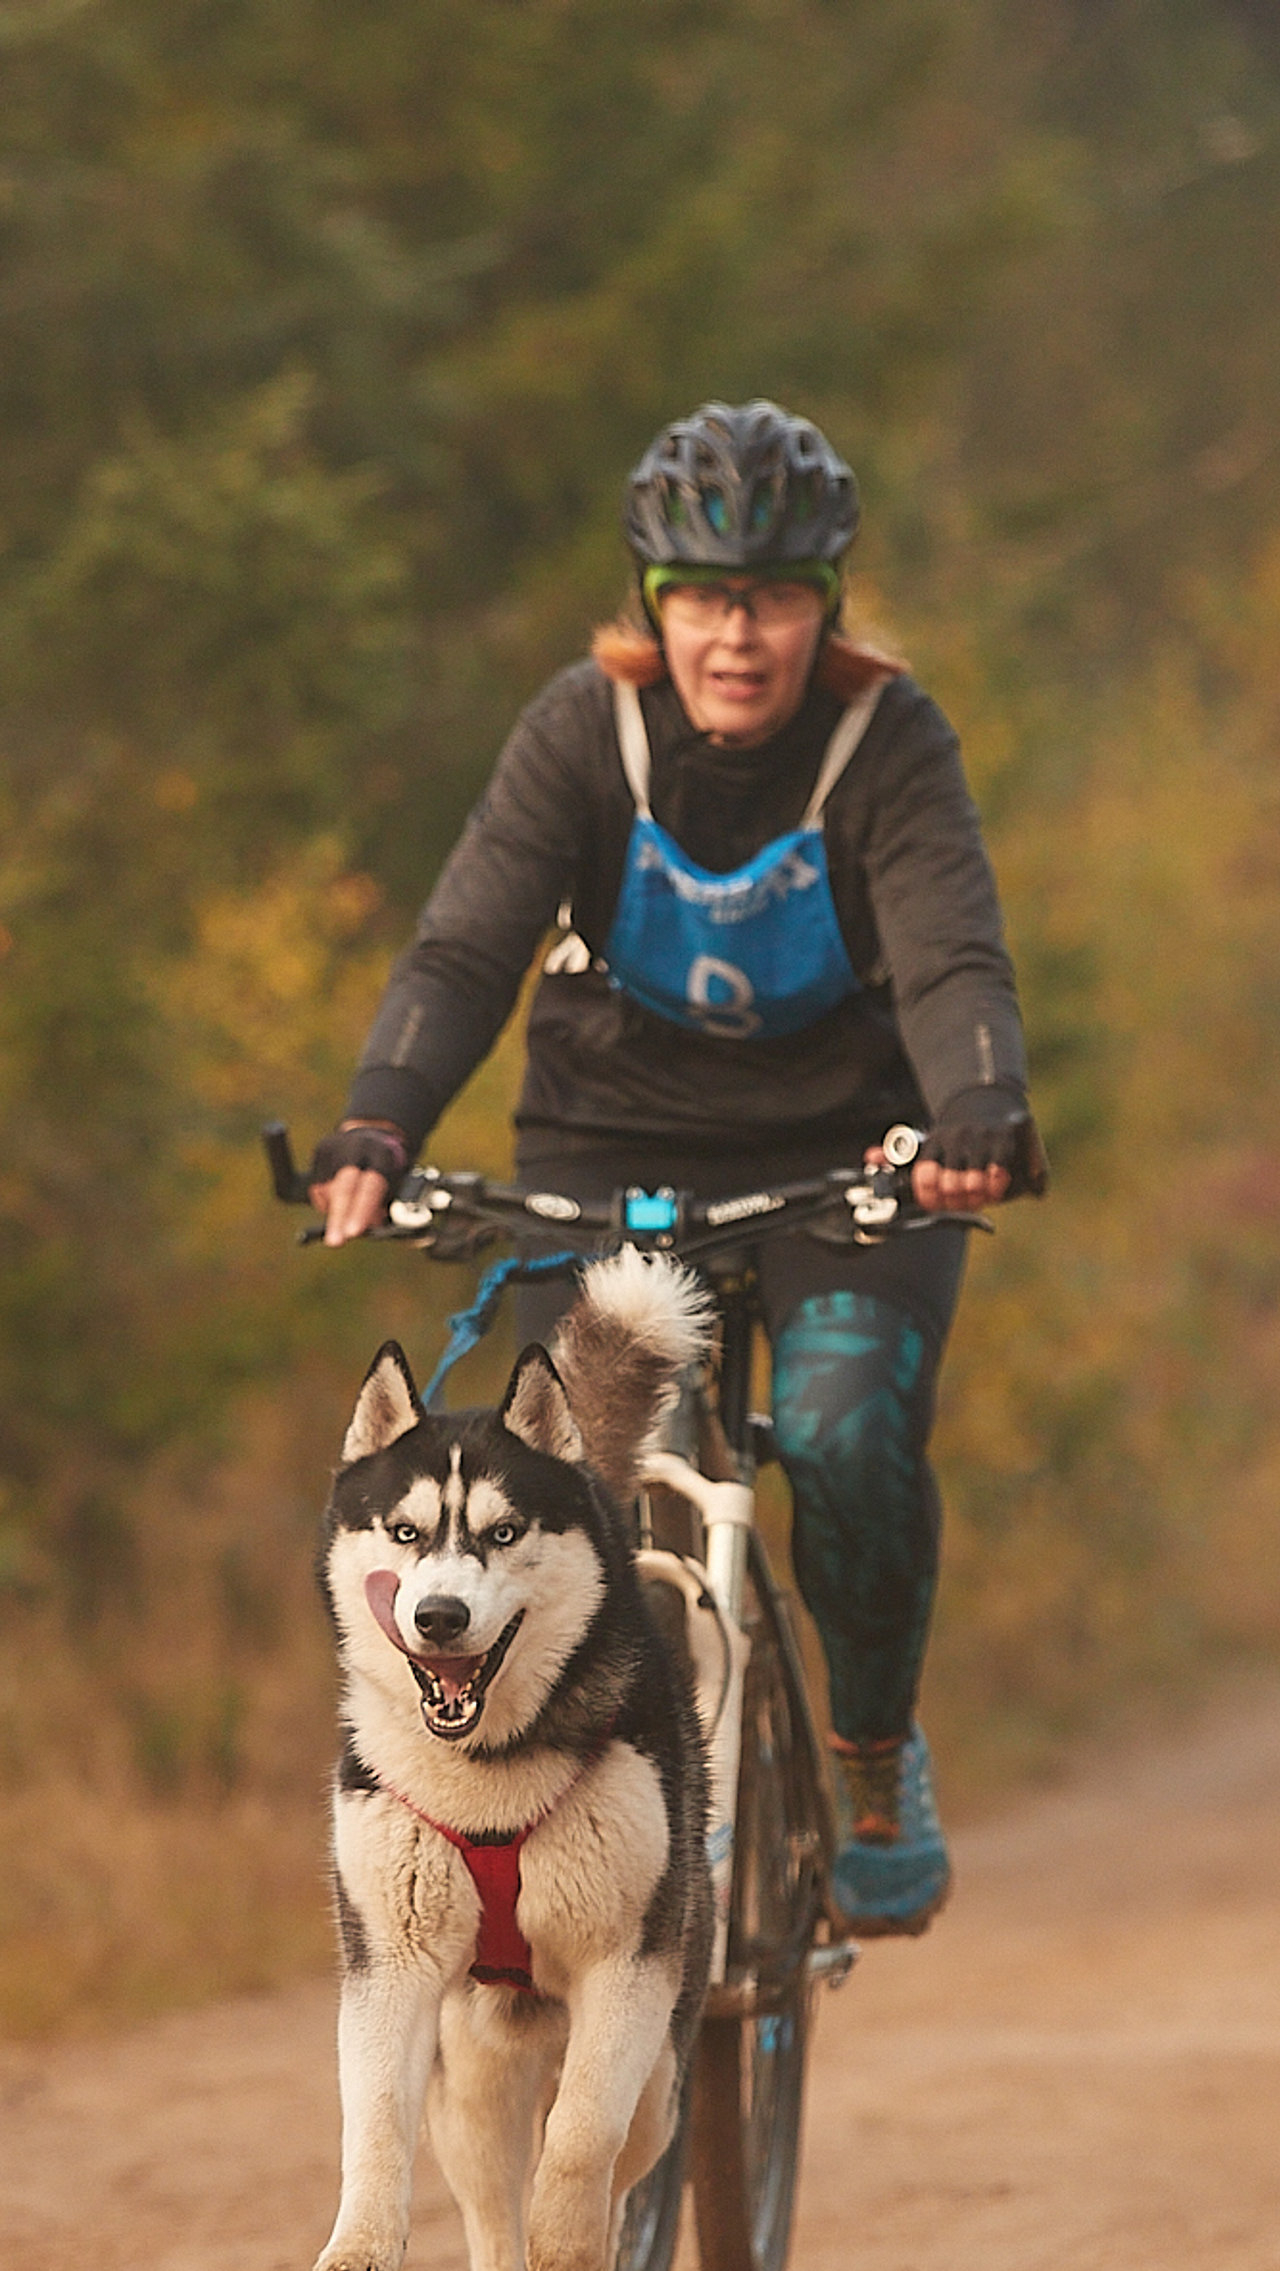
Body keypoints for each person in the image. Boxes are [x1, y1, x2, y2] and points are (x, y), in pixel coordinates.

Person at [307, 400, 1043, 1936]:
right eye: (705, 596)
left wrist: (978, 1109)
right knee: (555, 1495)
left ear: (825, 604)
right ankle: (557, 1838)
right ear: (654, 603)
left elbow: (952, 955)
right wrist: (381, 1118)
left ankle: (871, 1751)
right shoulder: (584, 730)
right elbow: (468, 940)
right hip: (606, 1151)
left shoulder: (885, 740)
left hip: (854, 1165)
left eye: (776, 595)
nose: (739, 633)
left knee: (840, 1440)